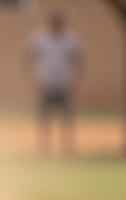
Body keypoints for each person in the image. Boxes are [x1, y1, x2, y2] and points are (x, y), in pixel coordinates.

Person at [22, 11, 83, 155]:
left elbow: (79, 62)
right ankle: (43, 149)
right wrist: (31, 81)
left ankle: (68, 149)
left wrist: (75, 83)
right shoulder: (38, 38)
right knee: (43, 119)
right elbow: (25, 58)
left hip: (64, 85)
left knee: (67, 119)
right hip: (45, 85)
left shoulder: (71, 39)